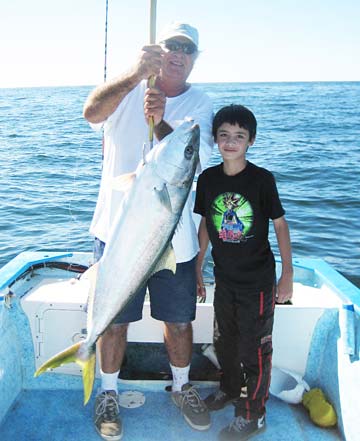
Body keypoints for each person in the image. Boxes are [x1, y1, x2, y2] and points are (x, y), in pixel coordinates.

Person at [83, 22, 213, 440]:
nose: (179, 54)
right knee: (115, 323)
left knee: (178, 322)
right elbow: (92, 113)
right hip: (118, 233)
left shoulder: (202, 104)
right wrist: (135, 76)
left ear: (194, 59)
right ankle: (107, 392)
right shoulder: (127, 90)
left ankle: (181, 385)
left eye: (187, 50)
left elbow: (194, 160)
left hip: (174, 238)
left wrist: (159, 123)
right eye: (172, 45)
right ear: (157, 50)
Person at [194, 104, 293, 440]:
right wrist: (197, 268)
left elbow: (280, 226)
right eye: (224, 135)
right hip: (225, 279)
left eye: (239, 136)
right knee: (225, 342)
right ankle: (229, 389)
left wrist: (287, 274)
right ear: (216, 140)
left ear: (251, 140)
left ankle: (254, 414)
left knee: (254, 350)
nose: (231, 142)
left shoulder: (262, 180)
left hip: (258, 284)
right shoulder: (207, 179)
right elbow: (206, 225)